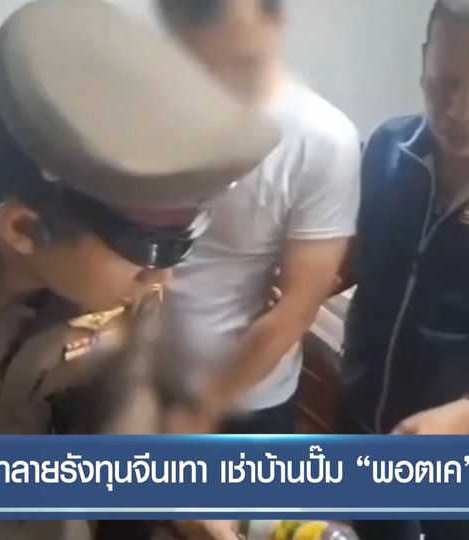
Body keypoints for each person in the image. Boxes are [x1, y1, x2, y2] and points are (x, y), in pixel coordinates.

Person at [0, 0, 279, 538]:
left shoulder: (123, 290)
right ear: (23, 228)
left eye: (183, 244)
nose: (164, 278)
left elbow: (121, 397)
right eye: (152, 249)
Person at [340, 0, 469, 539]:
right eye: (446, 81)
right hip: (361, 424)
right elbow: (365, 258)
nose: (463, 110)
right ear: (424, 61)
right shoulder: (387, 148)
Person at [155, 0, 361, 435]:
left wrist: (203, 408)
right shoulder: (156, 107)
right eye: (200, 68)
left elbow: (297, 306)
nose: (222, 87)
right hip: (138, 380)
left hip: (242, 402)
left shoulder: (323, 139)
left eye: (241, 63)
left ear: (276, 21)